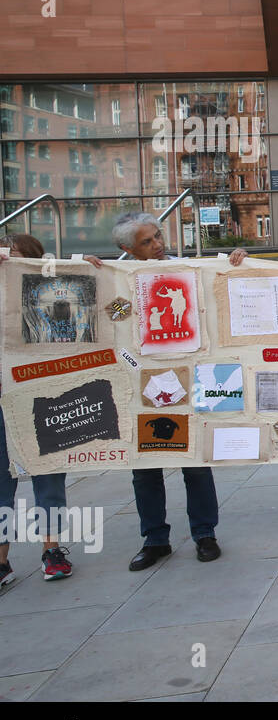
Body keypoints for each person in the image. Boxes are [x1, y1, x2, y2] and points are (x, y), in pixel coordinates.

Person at [95, 213, 246, 569]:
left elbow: (218, 283)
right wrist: (91, 271)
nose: (158, 245)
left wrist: (236, 258)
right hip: (140, 383)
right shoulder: (116, 278)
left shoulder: (184, 267)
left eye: (158, 236)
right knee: (144, 467)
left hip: (189, 377)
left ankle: (204, 534)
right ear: (126, 249)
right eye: (147, 242)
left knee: (194, 462)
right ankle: (155, 539)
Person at [0, 234, 73, 585]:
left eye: (14, 257)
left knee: (49, 476)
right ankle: (2, 560)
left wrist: (87, 270)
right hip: (3, 401)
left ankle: (52, 549)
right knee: (1, 482)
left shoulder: (52, 293)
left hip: (42, 396)